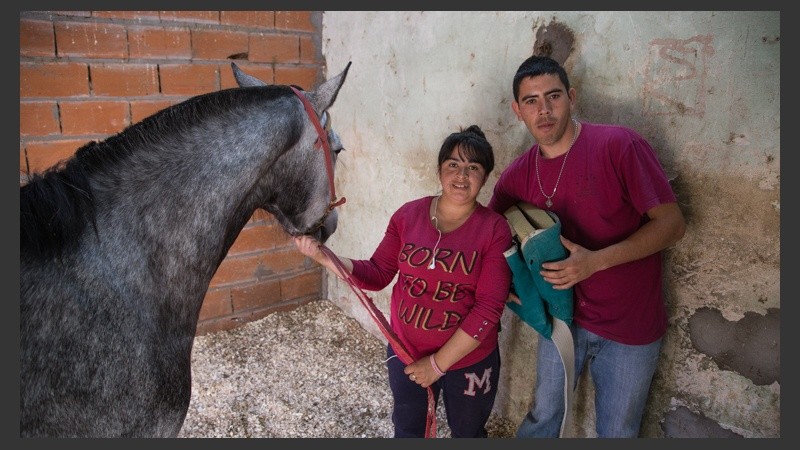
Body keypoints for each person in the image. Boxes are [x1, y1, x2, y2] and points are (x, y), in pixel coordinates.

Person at [487, 55, 686, 438]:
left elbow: (672, 224)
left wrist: (594, 262)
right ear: (517, 110)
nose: (544, 110)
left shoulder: (619, 145)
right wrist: (509, 289)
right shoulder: (517, 175)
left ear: (572, 97)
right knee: (543, 418)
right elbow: (489, 236)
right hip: (561, 321)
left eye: (553, 96)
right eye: (531, 101)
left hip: (630, 327)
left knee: (619, 431)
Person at [294, 125, 512, 438]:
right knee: (409, 430)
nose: (462, 176)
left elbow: (488, 310)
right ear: (439, 170)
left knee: (469, 433)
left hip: (469, 360)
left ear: (486, 176)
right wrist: (325, 257)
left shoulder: (494, 230)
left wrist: (436, 365)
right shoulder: (408, 216)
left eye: (473, 168)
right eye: (453, 164)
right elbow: (377, 272)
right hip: (407, 351)